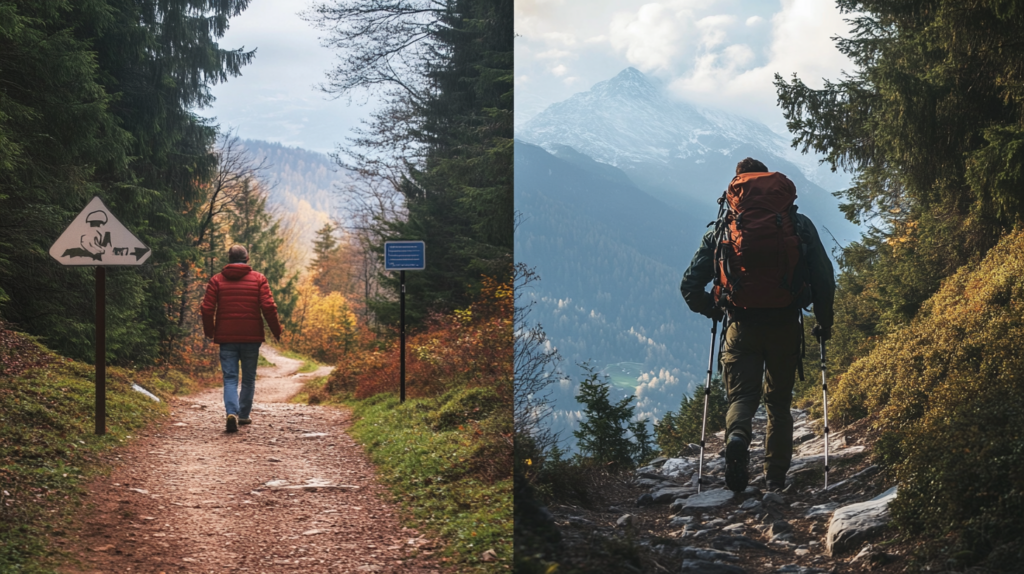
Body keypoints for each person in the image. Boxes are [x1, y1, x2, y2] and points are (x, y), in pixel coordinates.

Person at [680, 157, 835, 492]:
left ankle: (737, 437)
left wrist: (714, 309)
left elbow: (689, 286)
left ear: (736, 188)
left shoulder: (723, 229)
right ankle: (775, 479)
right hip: (784, 324)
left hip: (741, 324)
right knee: (779, 404)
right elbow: (824, 278)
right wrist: (825, 323)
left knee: (742, 397)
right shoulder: (798, 224)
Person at [201, 245, 283, 433]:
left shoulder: (217, 280)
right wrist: (276, 330)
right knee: (248, 378)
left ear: (229, 259)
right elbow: (269, 306)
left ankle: (231, 412)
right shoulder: (259, 279)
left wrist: (210, 331)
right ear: (247, 259)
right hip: (251, 337)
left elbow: (207, 308)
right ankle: (244, 415)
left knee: (230, 378)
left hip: (226, 337)